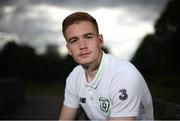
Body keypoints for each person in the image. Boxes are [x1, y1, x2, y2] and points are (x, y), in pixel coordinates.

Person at [59, 11, 154, 120]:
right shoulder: (74, 76)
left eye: (88, 37)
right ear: (69, 49)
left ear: (100, 41)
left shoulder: (124, 75)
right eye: (74, 40)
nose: (82, 46)